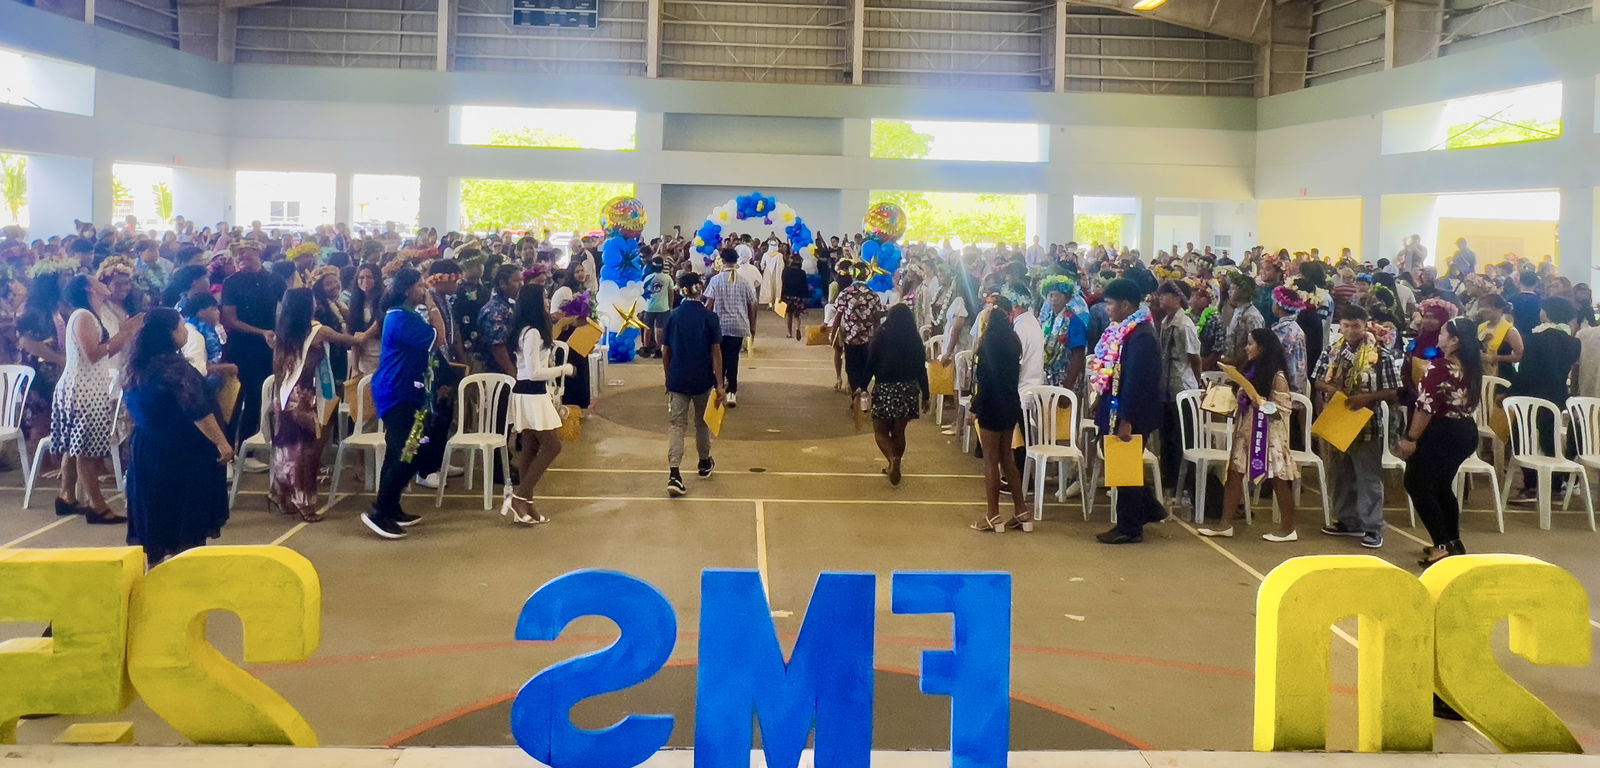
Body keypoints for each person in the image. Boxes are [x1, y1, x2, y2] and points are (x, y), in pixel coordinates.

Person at [123, 308, 234, 564]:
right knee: (185, 516)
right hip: (182, 452)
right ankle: (183, 572)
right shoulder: (175, 369)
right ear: (168, 334)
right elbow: (198, 411)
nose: (185, 332)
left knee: (155, 515)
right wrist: (221, 442)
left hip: (147, 448)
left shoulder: (135, 364)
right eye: (181, 327)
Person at [361, 268, 447, 540]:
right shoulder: (400, 317)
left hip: (409, 390)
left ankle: (391, 504)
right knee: (407, 450)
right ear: (408, 289)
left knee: (405, 449)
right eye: (421, 287)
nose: (425, 291)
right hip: (397, 391)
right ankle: (380, 511)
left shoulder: (404, 314)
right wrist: (433, 307)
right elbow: (440, 338)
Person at [270, 288, 369, 523]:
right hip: (304, 398)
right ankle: (305, 502)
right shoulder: (318, 331)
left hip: (283, 396)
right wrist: (376, 324)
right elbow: (355, 340)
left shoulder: (283, 330)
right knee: (307, 452)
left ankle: (281, 494)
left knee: (286, 447)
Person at [52, 275, 143, 524]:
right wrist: (125, 333)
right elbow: (94, 354)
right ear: (89, 288)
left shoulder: (90, 314)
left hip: (83, 386)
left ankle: (67, 496)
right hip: (83, 390)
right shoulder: (84, 316)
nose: (104, 281)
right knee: (87, 451)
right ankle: (98, 506)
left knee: (75, 447)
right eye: (97, 280)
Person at [1199, 328, 1299, 541]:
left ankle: (1288, 528)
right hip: (1246, 431)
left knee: (1279, 479)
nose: (1247, 347)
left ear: (1262, 347)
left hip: (1269, 436)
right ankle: (1225, 524)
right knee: (1234, 474)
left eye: (1251, 343)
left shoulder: (1277, 376)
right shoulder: (1251, 369)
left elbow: (1284, 410)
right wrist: (1213, 396)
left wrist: (1262, 404)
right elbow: (1238, 397)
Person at [1314, 306, 1400, 549]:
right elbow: (1318, 379)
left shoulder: (1379, 353)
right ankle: (1347, 519)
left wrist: (1367, 397)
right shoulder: (1332, 351)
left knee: (1368, 476)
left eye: (1356, 326)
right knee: (1340, 472)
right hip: (1339, 419)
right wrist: (1332, 390)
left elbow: (1393, 390)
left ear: (1365, 326)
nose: (1351, 331)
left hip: (1366, 422)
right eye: (1346, 326)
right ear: (1339, 326)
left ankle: (1372, 526)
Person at [1398, 317, 1483, 567]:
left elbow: (1425, 408)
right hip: (1464, 431)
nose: (1440, 336)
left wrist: (1411, 439)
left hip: (1442, 432)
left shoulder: (1440, 367)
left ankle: (1442, 544)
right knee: (1441, 486)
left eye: (1445, 333)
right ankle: (1452, 541)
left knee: (1417, 483)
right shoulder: (1471, 365)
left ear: (1455, 340)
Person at [1087, 278, 1166, 543]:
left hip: (1132, 413)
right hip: (1116, 407)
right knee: (1121, 463)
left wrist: (1127, 420)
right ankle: (1150, 508)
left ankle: (1129, 527)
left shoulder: (1141, 335)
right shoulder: (1125, 331)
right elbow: (1114, 373)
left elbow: (1137, 382)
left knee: (1125, 468)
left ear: (1125, 304)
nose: (1107, 309)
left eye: (1110, 304)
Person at [504, 283, 576, 524]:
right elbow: (534, 372)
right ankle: (520, 496)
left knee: (531, 447)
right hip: (531, 392)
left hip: (532, 393)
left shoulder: (529, 329)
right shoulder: (532, 332)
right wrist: (563, 369)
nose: (548, 301)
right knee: (552, 446)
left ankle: (528, 503)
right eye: (544, 297)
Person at [1506, 297, 1582, 504]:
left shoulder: (1534, 338)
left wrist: (1510, 392)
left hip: (1530, 396)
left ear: (1546, 313)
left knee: (1521, 437)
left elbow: (1527, 371)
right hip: (1557, 396)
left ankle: (1531, 485)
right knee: (1551, 441)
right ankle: (1555, 488)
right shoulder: (1573, 342)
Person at [968, 296, 1030, 532]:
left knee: (991, 460)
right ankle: (1022, 510)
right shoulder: (1014, 341)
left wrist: (974, 409)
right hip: (1011, 402)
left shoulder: (987, 343)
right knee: (1008, 458)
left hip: (991, 404)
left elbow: (985, 380)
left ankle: (993, 514)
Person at [661, 272, 724, 498]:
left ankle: (675, 474)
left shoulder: (673, 316)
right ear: (700, 288)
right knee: (701, 423)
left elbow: (665, 352)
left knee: (677, 425)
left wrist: (668, 378)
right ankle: (704, 461)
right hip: (702, 378)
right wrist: (720, 383)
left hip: (678, 377)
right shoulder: (709, 317)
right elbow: (716, 352)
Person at [221, 241, 286, 459]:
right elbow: (230, 318)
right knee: (236, 398)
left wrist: (279, 332)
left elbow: (284, 308)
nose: (242, 260)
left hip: (268, 346)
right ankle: (229, 450)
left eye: (246, 256)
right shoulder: (232, 282)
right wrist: (261, 332)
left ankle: (247, 451)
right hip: (242, 346)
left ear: (258, 253)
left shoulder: (274, 280)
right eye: (238, 257)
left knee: (259, 397)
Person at [868, 304, 929, 486]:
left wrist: (861, 386)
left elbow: (871, 362)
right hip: (908, 389)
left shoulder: (881, 335)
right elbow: (921, 369)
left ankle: (892, 459)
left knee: (880, 431)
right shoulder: (914, 339)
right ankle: (895, 462)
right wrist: (925, 395)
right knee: (899, 431)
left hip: (885, 387)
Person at [1153, 281, 1201, 494]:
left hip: (1182, 385)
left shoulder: (1184, 324)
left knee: (1181, 435)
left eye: (1166, 295)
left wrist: (1197, 383)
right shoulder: (1165, 321)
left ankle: (1183, 481)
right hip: (1166, 385)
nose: (1161, 299)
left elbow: (1194, 356)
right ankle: (1168, 476)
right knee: (1166, 434)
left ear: (1178, 298)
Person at [704, 249, 757, 407]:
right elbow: (751, 304)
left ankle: (717, 388)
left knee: (717, 359)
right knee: (733, 358)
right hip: (738, 325)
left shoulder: (716, 280)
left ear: (722, 260)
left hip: (719, 326)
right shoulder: (743, 281)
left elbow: (709, 304)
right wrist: (751, 325)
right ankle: (732, 392)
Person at [832, 261, 884, 410]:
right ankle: (863, 390)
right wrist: (878, 336)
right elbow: (877, 318)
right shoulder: (874, 295)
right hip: (868, 339)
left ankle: (856, 393)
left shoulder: (846, 293)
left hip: (850, 338)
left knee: (851, 367)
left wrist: (833, 333)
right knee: (865, 366)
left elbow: (838, 315)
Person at [347, 263, 384, 378]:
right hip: (364, 357)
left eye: (369, 277)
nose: (365, 280)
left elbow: (380, 321)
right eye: (361, 277)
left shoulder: (384, 298)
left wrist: (365, 335)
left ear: (376, 279)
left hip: (382, 354)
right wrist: (355, 367)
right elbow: (355, 335)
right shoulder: (355, 302)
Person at [1477, 294, 1523, 380]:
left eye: (1485, 306)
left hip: (1502, 375)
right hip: (1481, 374)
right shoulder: (1481, 327)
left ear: (1499, 309)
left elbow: (1519, 356)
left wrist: (1496, 358)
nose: (1481, 310)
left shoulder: (1510, 331)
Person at [640, 256, 673, 357]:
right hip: (663, 307)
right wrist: (670, 306)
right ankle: (659, 349)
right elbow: (671, 293)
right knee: (660, 328)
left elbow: (643, 292)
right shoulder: (667, 278)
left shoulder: (648, 277)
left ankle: (646, 348)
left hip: (649, 306)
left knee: (647, 328)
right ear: (662, 266)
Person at [780, 254, 809, 341]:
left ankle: (789, 333)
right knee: (797, 315)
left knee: (789, 315)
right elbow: (804, 286)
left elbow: (783, 283)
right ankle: (797, 329)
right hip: (798, 296)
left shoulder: (785, 271)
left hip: (788, 295)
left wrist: (781, 296)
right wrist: (805, 297)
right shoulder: (802, 272)